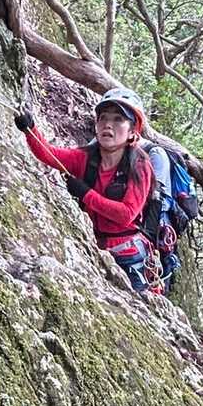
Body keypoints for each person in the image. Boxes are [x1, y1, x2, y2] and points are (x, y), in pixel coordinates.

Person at [14, 87, 159, 293]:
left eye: (118, 119)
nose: (108, 124)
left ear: (132, 131)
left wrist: (85, 194)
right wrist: (30, 129)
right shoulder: (85, 158)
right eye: (103, 118)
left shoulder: (139, 165)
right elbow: (50, 155)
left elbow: (126, 214)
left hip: (130, 255)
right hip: (96, 250)